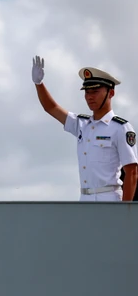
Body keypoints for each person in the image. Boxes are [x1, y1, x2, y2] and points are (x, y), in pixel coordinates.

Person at [31, 57, 138, 202]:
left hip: (110, 199)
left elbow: (131, 172)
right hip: (84, 199)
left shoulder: (120, 127)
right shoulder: (82, 124)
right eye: (87, 92)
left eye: (95, 91)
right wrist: (39, 84)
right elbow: (51, 108)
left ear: (111, 93)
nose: (89, 97)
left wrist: (124, 211)